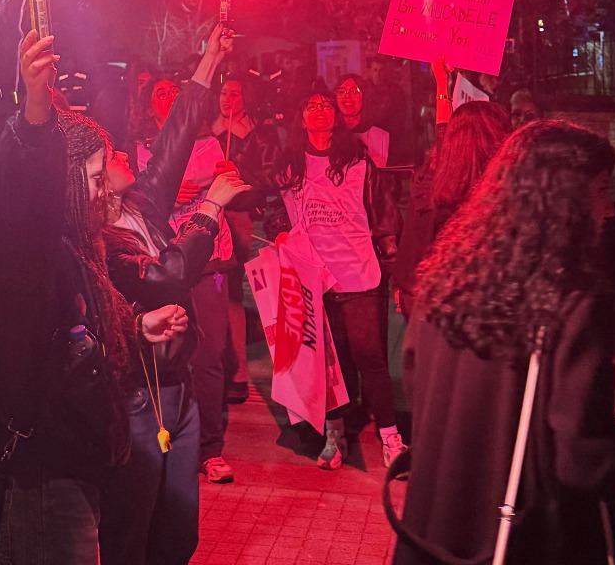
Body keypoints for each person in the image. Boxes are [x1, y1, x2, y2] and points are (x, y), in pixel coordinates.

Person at [0, 30, 184, 563]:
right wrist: (36, 114)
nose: (104, 191)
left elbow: (65, 337)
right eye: (92, 179)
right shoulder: (23, 246)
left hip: (68, 464)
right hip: (38, 476)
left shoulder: (72, 247)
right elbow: (21, 201)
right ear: (62, 179)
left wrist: (134, 330)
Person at [397, 120, 615, 565]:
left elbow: (418, 391)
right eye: (601, 189)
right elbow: (581, 459)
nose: (608, 210)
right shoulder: (573, 301)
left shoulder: (445, 278)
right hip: (519, 538)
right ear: (560, 199)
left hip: (433, 526)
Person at [100, 23, 243, 563]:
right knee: (133, 525)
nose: (119, 155)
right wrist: (210, 210)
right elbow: (163, 278)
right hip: (136, 396)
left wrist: (208, 60)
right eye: (107, 154)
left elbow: (177, 135)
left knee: (180, 531)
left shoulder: (141, 205)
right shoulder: (99, 240)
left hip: (176, 389)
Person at [271, 87, 404, 469]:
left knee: (371, 357)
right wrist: (280, 229)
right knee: (331, 364)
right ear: (301, 118)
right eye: (310, 106)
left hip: (359, 276)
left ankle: (391, 438)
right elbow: (273, 207)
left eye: (325, 106)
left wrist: (394, 271)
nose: (319, 111)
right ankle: (335, 435)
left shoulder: (359, 161)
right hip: (314, 280)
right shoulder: (289, 166)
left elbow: (384, 217)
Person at [394, 101, 511, 314]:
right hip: (447, 302)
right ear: (488, 136)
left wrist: (401, 285)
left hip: (418, 292)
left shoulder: (431, 176)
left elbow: (412, 239)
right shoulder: (482, 191)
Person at [212, 75, 280, 404]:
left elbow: (269, 178)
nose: (228, 99)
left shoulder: (258, 134)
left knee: (233, 294)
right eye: (224, 93)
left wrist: (237, 172)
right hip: (207, 216)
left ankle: (238, 370)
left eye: (235, 93)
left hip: (237, 219)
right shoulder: (205, 132)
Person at [334, 73, 389, 167]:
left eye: (354, 91)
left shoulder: (380, 135)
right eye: (342, 92)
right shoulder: (329, 134)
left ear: (364, 95)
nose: (347, 96)